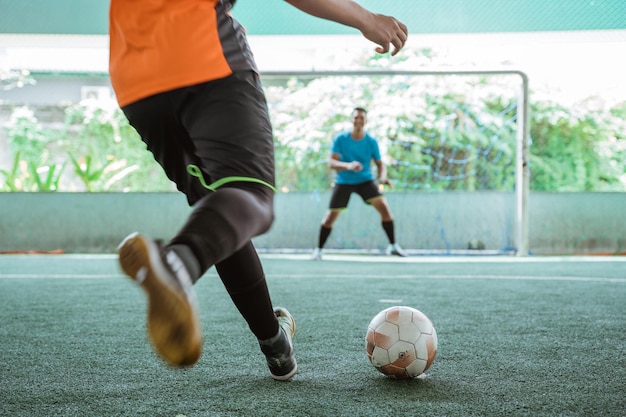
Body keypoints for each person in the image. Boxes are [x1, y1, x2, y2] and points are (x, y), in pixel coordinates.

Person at [108, 0, 407, 380]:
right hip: (202, 50)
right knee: (252, 197)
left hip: (134, 76)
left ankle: (275, 345)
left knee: (218, 213)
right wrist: (366, 18)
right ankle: (177, 263)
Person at [311, 107, 408, 260]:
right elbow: (331, 162)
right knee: (330, 216)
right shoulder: (341, 139)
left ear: (366, 121)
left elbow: (380, 164)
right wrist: (348, 165)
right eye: (356, 117)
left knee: (385, 210)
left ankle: (393, 246)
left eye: (362, 117)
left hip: (365, 180)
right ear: (352, 120)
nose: (359, 120)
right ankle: (318, 250)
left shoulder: (371, 141)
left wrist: (382, 178)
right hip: (344, 181)